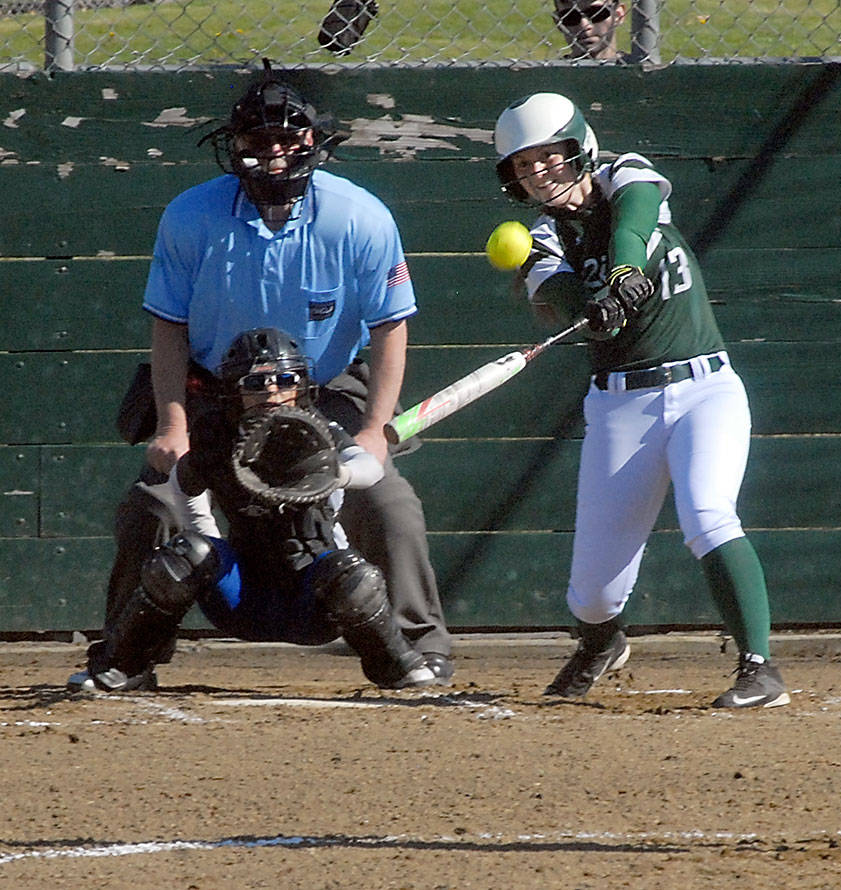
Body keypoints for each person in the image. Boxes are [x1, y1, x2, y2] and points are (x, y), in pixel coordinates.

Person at [68, 68, 454, 691]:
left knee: (390, 503)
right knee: (151, 506)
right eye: (258, 139)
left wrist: (379, 429)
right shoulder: (191, 217)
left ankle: (417, 648)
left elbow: (390, 327)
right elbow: (166, 326)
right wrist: (172, 423)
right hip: (216, 390)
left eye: (287, 139)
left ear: (314, 143)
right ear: (235, 145)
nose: (273, 153)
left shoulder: (360, 218)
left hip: (326, 387)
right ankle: (126, 655)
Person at [491, 92, 788, 709]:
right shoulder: (539, 242)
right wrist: (592, 309)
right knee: (594, 595)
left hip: (705, 388)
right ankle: (600, 642)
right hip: (621, 406)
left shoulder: (625, 173)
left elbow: (634, 221)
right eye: (523, 165)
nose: (538, 172)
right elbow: (570, 305)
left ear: (578, 149)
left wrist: (623, 274)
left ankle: (759, 667)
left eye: (548, 156)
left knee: (708, 515)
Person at [73, 329, 440, 691]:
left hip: (313, 601)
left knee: (352, 576)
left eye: (285, 380)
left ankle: (396, 665)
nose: (272, 392)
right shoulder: (217, 436)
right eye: (256, 382)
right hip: (243, 596)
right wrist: (207, 539)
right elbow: (183, 484)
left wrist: (336, 473)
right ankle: (124, 665)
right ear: (235, 388)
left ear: (302, 385)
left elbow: (372, 469)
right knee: (184, 556)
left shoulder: (322, 433)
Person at [553, 0, 627, 61]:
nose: (584, 26)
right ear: (558, 22)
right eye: (570, 17)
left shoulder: (635, 70)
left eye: (596, 13)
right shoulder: (550, 76)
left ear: (618, 15)